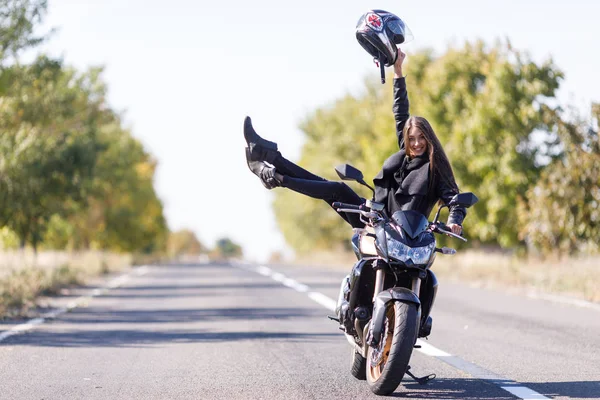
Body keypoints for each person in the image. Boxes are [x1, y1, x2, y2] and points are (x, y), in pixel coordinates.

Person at [243, 49, 466, 233]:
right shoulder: (405, 155)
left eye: (421, 139)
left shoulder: (435, 168)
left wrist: (455, 220)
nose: (416, 143)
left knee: (331, 188)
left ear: (429, 139)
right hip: (377, 222)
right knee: (334, 188)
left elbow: (454, 199)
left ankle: (275, 175)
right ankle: (268, 157)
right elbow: (400, 113)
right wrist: (398, 70)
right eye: (411, 139)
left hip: (406, 236)